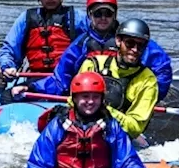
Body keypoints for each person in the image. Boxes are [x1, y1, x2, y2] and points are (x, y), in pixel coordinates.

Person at [26, 72, 155, 168]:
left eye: (96, 97)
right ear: (75, 98)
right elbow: (40, 162)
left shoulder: (110, 126)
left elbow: (125, 161)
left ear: (102, 99)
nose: (90, 101)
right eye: (85, 97)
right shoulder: (58, 125)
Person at [19, 18, 160, 139]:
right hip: (82, 128)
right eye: (129, 43)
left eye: (140, 45)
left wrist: (104, 111)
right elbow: (72, 101)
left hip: (117, 137)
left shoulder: (148, 80)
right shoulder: (93, 64)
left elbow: (135, 127)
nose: (135, 50)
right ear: (118, 41)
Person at [44, 0, 175, 101]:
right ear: (89, 15)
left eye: (108, 13)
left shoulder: (131, 40)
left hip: (126, 100)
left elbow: (162, 68)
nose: (103, 18)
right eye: (98, 13)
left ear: (115, 15)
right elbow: (61, 80)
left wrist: (150, 97)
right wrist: (32, 88)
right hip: (91, 102)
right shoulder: (80, 44)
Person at [0, 0, 82, 77]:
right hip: (35, 78)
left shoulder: (77, 18)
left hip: (68, 78)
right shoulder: (26, 18)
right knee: (8, 94)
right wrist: (7, 66)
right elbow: (9, 49)